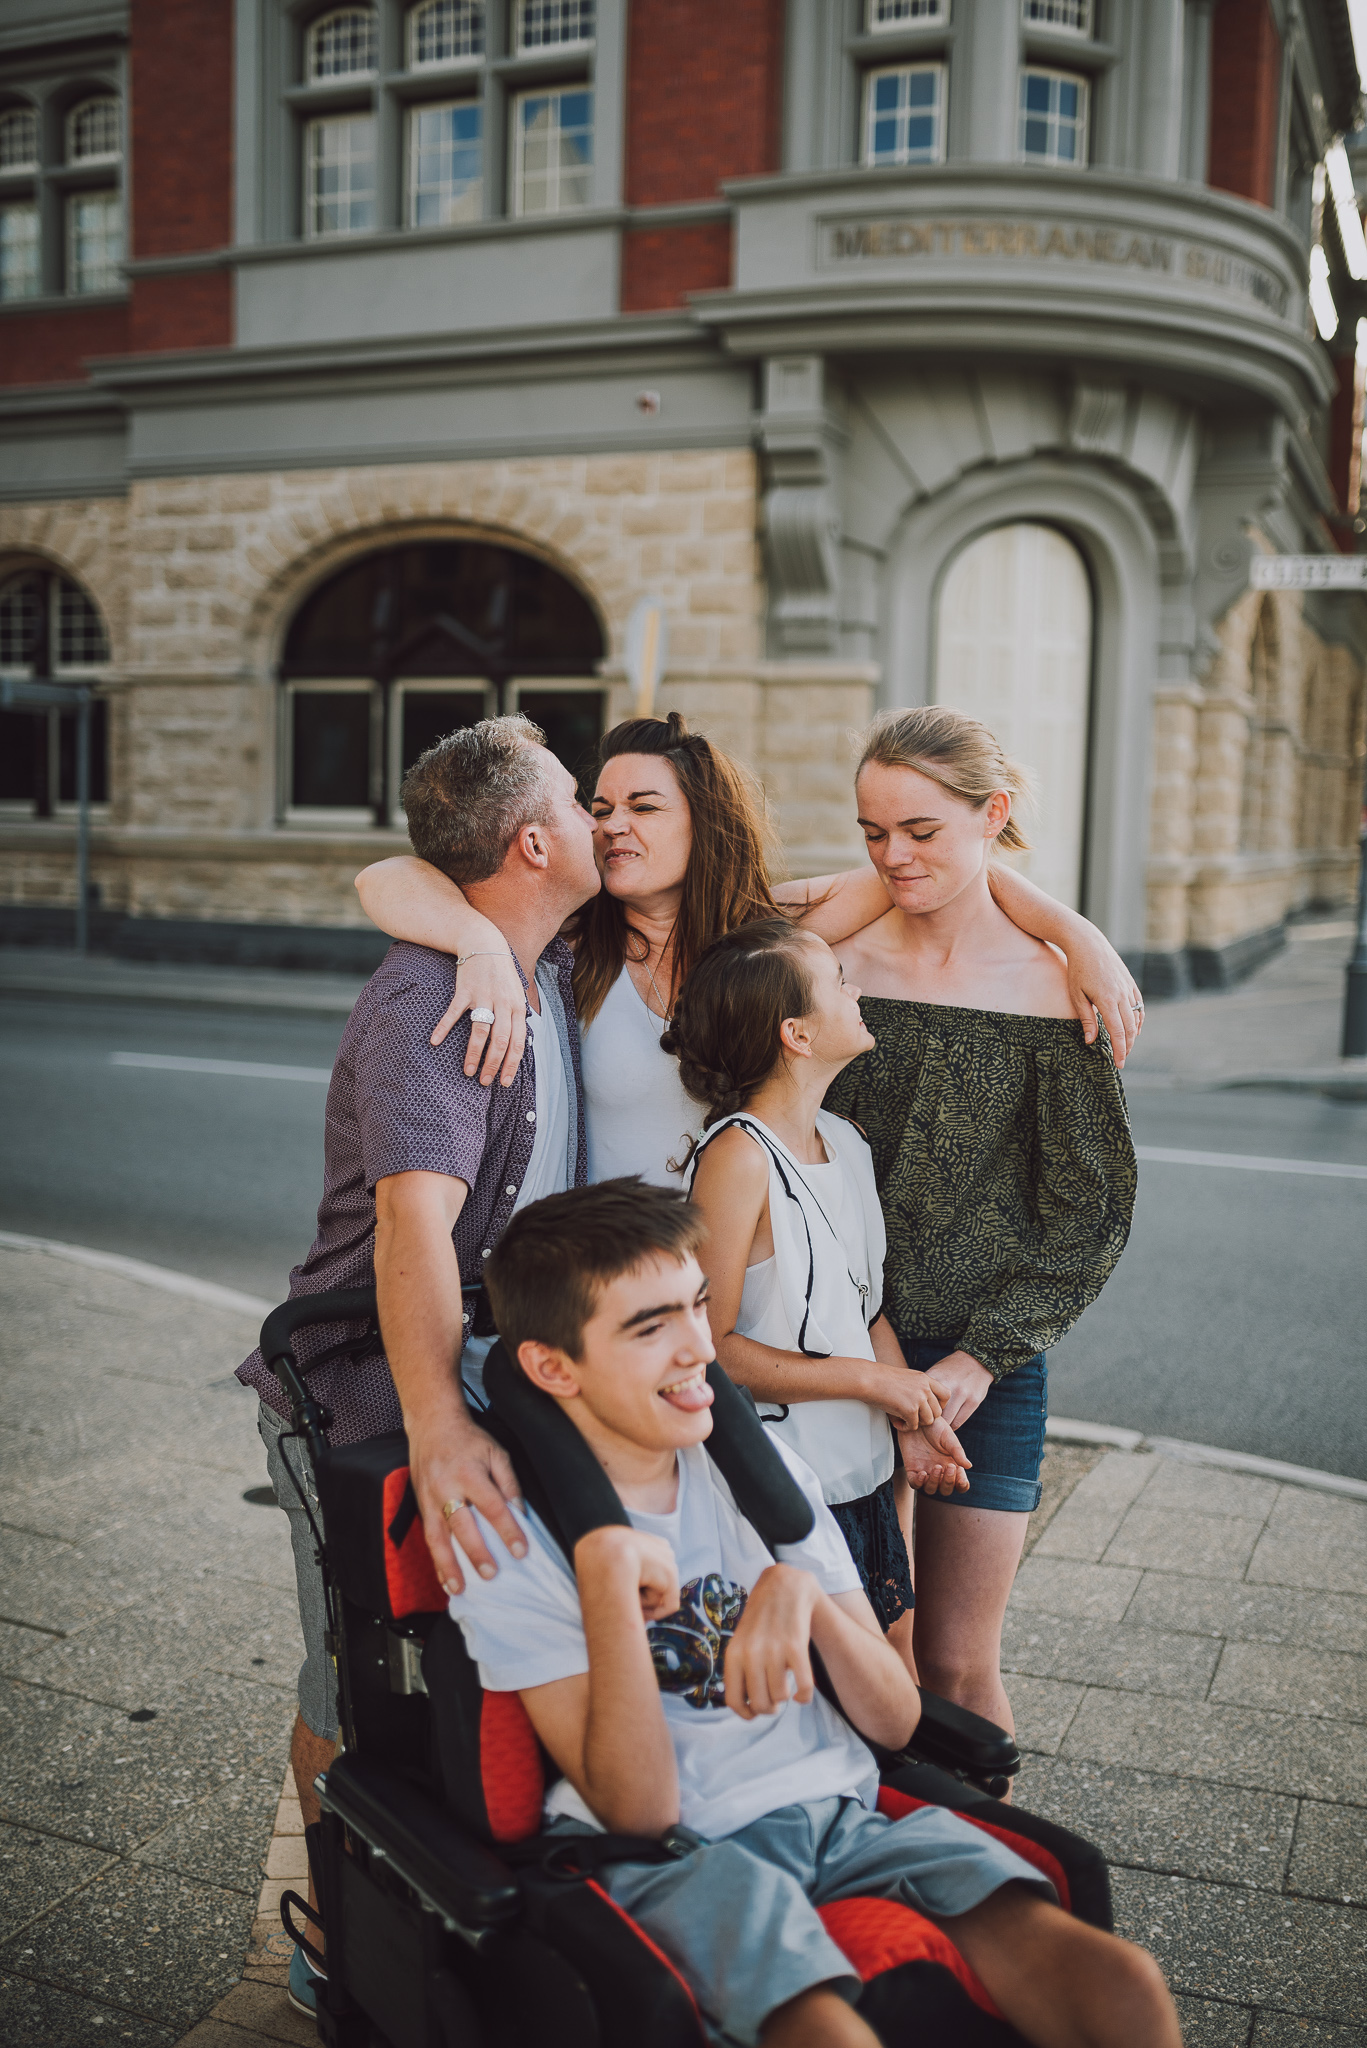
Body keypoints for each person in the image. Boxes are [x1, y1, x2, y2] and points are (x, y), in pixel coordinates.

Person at [450, 1180, 1180, 2048]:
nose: (696, 1351)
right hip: (683, 1855)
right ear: (552, 1367)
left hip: (842, 1812)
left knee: (1116, 1979)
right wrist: (606, 1581)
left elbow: (894, 1716)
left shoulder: (768, 1483)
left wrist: (798, 1591)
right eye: (649, 1328)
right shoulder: (511, 1543)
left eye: (698, 1306)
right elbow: (638, 1810)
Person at [235, 713, 600, 2015]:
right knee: (348, 1673)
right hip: (365, 1396)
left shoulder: (542, 956)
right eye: (578, 795)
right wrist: (441, 1427)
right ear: (536, 840)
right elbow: (410, 1231)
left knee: (438, 1670)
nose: (603, 815)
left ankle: (425, 1912)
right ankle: (334, 1941)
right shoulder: (435, 996)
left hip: (458, 1379)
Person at [353, 712, 1144, 1193]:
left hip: (744, 1282)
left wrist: (1077, 936)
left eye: (644, 806)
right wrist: (478, 941)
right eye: (596, 807)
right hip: (606, 1283)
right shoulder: (567, 944)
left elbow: (927, 870)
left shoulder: (756, 937)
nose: (610, 824)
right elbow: (385, 875)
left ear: (701, 821)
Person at [822, 706, 1139, 1752]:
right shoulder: (832, 965)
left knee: (957, 1660)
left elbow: (1084, 1213)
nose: (891, 854)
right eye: (872, 831)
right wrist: (1063, 912)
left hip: (982, 1366)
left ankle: (997, 1871)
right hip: (830, 1353)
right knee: (871, 1644)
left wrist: (972, 1358)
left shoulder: (1055, 989)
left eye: (919, 829)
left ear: (990, 813)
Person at [664, 916, 969, 1675]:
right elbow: (712, 1351)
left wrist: (907, 1421)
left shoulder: (848, 1141)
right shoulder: (736, 1157)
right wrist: (873, 1381)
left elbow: (864, 1310)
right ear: (795, 1034)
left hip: (864, 1475)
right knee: (826, 1693)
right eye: (837, 981)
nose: (855, 988)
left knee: (894, 1669)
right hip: (782, 1491)